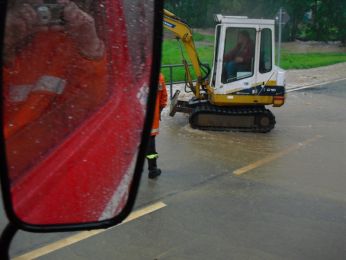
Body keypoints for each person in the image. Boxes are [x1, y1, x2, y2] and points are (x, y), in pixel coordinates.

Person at [3, 0, 108, 179]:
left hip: (42, 165)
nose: (40, 14)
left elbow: (89, 108)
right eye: (25, 5)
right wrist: (6, 47)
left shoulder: (66, 44)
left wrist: (90, 46)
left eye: (51, 7)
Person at [146, 73, 167, 179]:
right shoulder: (159, 77)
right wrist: (157, 111)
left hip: (134, 120)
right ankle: (152, 169)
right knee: (150, 147)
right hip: (151, 120)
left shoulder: (132, 74)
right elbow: (163, 100)